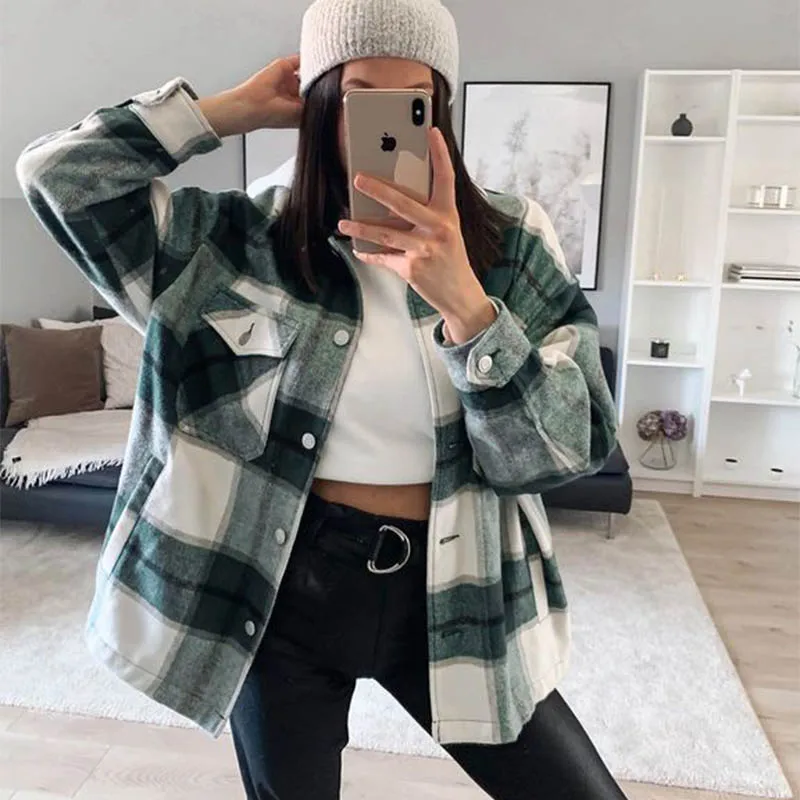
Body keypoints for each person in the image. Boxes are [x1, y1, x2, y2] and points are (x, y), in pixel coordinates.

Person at [17, 0, 627, 797]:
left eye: (415, 102)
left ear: (441, 111)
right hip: (273, 589)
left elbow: (567, 450)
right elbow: (56, 176)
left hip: (457, 587)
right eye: (359, 98)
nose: (388, 127)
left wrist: (468, 308)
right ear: (319, 103)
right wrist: (225, 111)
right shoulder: (227, 244)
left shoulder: (510, 241)